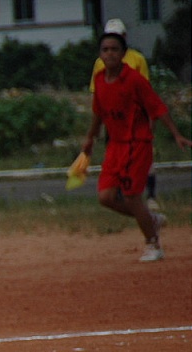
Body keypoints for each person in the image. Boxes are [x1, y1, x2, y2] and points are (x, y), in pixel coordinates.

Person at [80, 31, 192, 263]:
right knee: (106, 197)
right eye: (105, 50)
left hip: (137, 144)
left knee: (132, 197)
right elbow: (98, 112)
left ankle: (153, 244)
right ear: (99, 54)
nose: (110, 54)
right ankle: (151, 219)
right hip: (115, 145)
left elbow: (157, 107)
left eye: (114, 49)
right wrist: (90, 138)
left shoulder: (134, 80)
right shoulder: (99, 80)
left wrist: (176, 134)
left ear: (123, 53)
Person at [90, 18, 158, 210]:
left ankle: (150, 195)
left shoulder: (137, 59)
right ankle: (121, 194)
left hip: (136, 120)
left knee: (145, 159)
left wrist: (150, 121)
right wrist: (98, 125)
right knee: (116, 160)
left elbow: (145, 92)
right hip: (115, 120)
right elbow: (98, 95)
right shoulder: (100, 63)